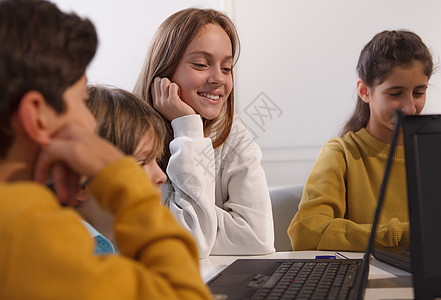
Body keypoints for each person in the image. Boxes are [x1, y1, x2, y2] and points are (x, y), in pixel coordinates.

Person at [0, 0, 211, 298]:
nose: (89, 120)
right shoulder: (28, 233)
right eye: (80, 98)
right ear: (36, 115)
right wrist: (122, 178)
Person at [134, 8, 275, 258]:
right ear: (164, 71)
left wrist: (180, 214)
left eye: (227, 68)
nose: (218, 79)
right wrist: (187, 127)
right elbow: (191, 241)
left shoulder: (234, 132)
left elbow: (258, 238)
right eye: (201, 64)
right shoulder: (130, 133)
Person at [288, 30, 434, 251]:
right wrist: (403, 235)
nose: (410, 108)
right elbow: (306, 233)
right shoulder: (341, 154)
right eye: (395, 94)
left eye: (418, 93)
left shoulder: (437, 152)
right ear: (365, 92)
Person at [75, 85, 168, 253]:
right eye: (140, 164)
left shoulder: (122, 239)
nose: (161, 176)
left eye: (157, 160)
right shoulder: (70, 253)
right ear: (81, 184)